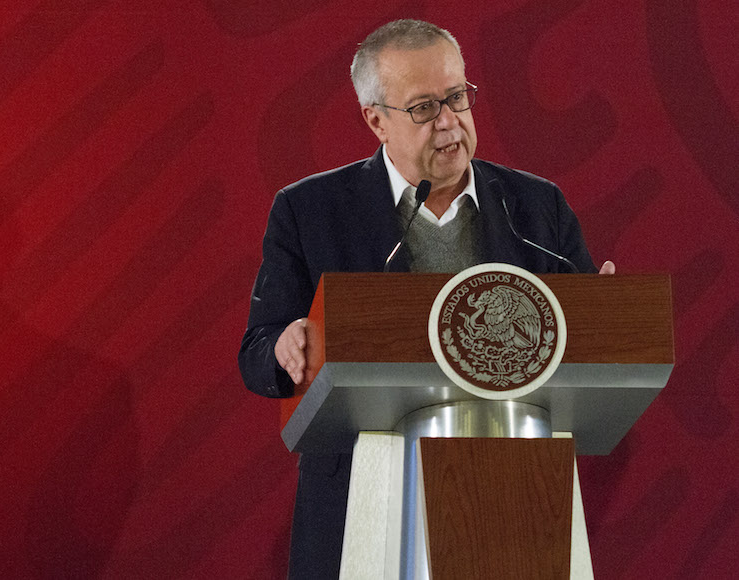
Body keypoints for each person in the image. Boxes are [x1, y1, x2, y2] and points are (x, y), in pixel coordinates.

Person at [237, 19, 613, 578]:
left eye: (457, 97)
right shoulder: (310, 210)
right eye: (423, 108)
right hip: (365, 496)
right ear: (376, 120)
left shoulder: (535, 207)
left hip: (515, 488)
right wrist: (283, 347)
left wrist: (601, 320)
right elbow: (257, 349)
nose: (449, 121)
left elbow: (576, 343)